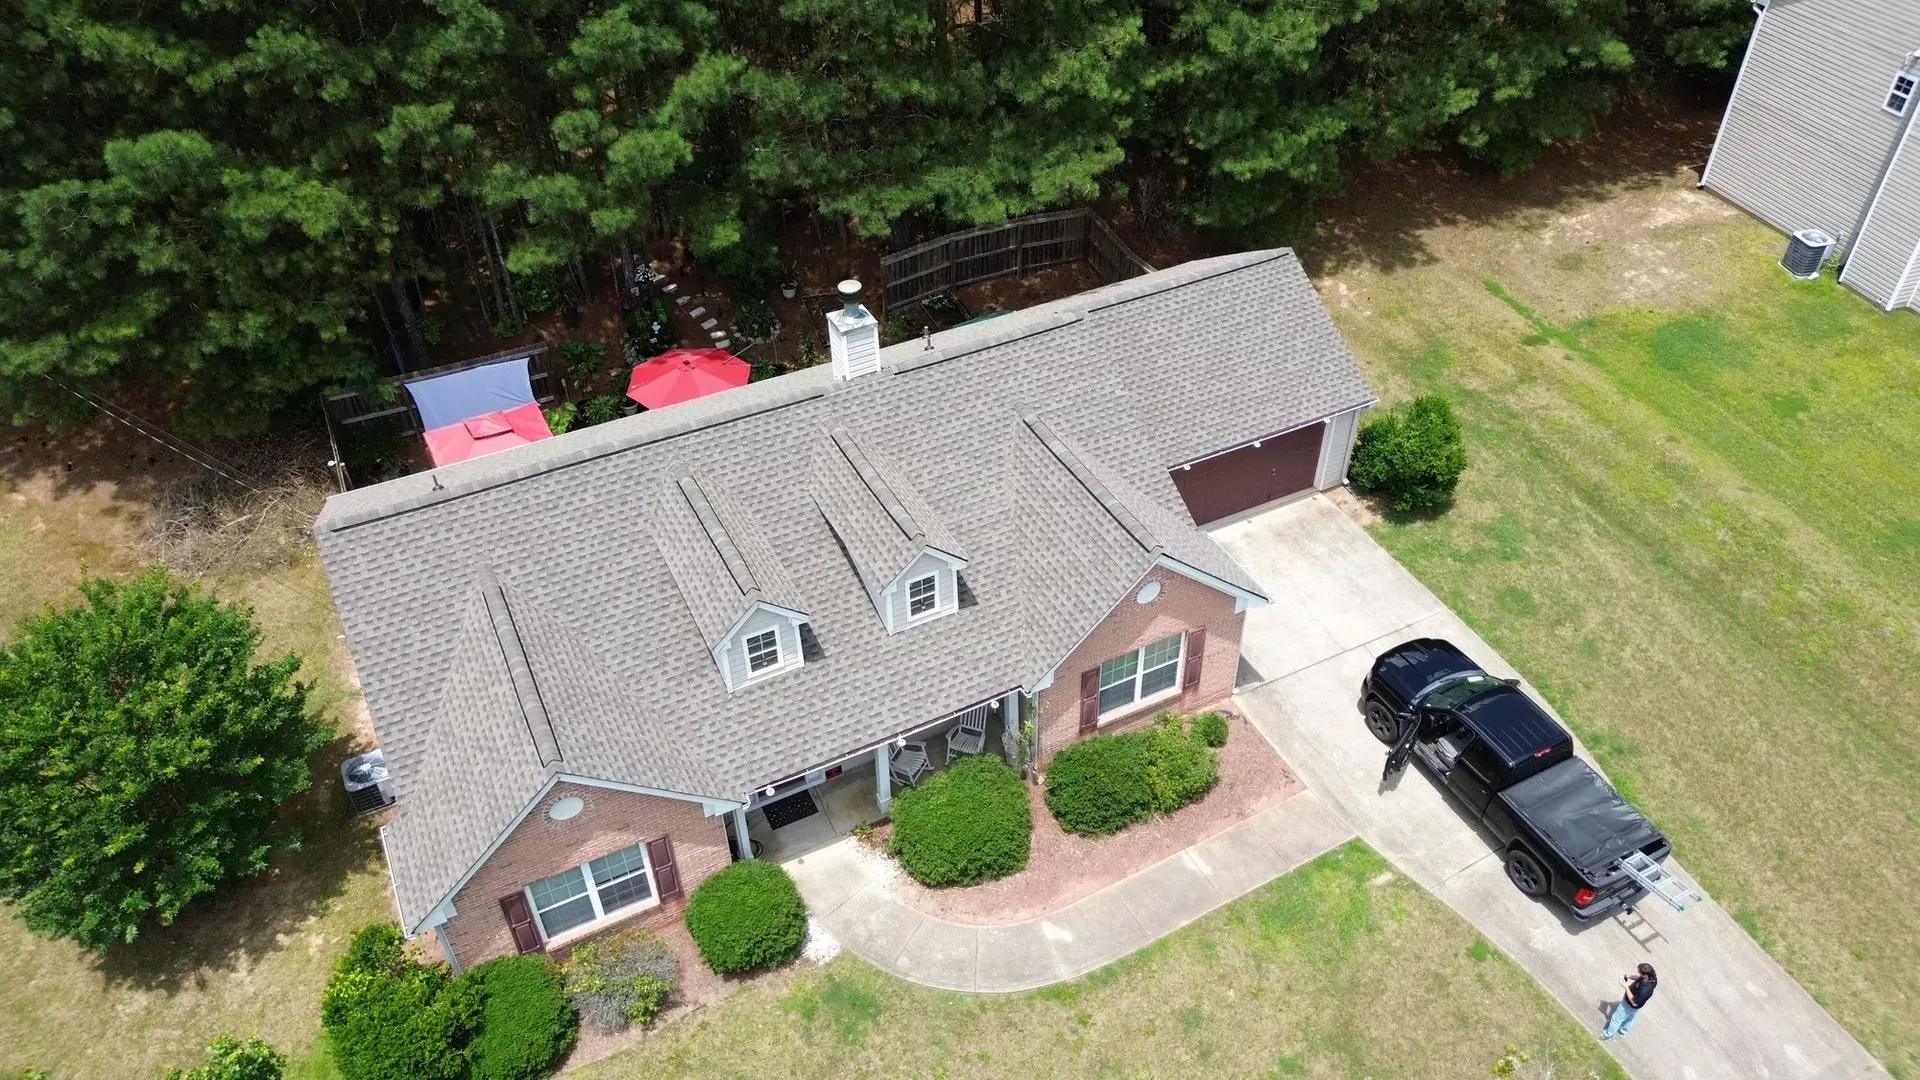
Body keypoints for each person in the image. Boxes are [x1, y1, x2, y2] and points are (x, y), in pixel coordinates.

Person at [1602, 963, 1658, 1040]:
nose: (1638, 973)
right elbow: (1639, 978)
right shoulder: (1652, 978)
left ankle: (1607, 1035)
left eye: (1639, 972)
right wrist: (1629, 976)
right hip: (1636, 1006)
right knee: (1630, 1017)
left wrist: (1626, 987)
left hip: (1629, 1004)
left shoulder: (1644, 990)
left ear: (1645, 974)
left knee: (1616, 1019)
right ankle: (1623, 1031)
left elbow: (1634, 1003)